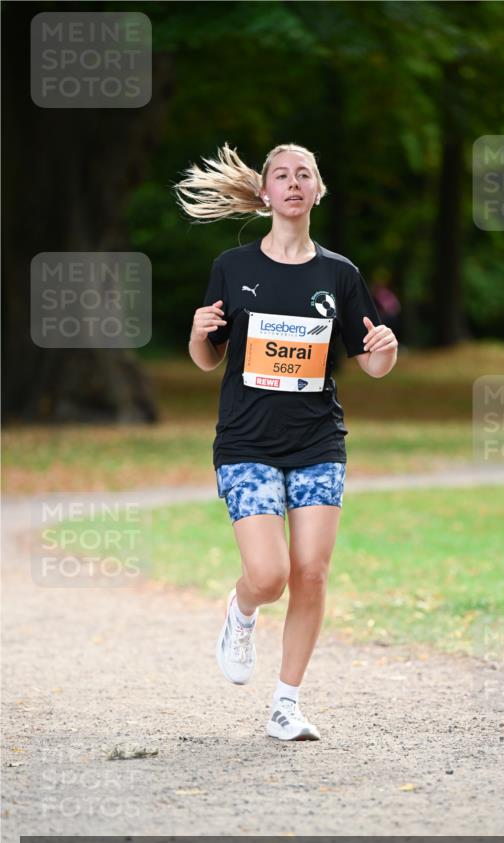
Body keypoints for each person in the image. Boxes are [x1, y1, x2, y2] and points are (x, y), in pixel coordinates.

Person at [174, 142, 398, 739]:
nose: (293, 183)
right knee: (270, 574)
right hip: (246, 441)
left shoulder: (340, 274)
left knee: (312, 572)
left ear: (318, 191)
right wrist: (197, 333)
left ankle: (286, 703)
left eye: (304, 175)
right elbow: (206, 358)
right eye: (282, 175)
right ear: (265, 192)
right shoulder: (232, 267)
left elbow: (372, 363)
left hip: (317, 442)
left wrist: (387, 350)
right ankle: (242, 610)